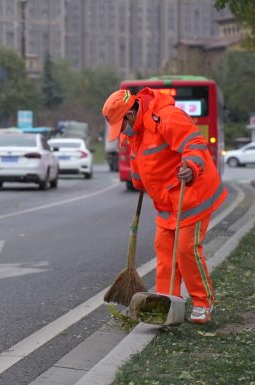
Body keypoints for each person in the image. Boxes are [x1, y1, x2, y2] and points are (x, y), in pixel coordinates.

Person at [102, 88, 227, 324]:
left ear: (130, 113)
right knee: (165, 251)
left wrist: (191, 166)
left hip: (192, 195)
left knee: (185, 251)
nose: (122, 132)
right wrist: (138, 181)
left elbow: (196, 143)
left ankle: (202, 303)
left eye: (122, 124)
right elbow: (140, 162)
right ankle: (167, 303)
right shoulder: (134, 134)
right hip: (167, 202)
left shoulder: (168, 117)